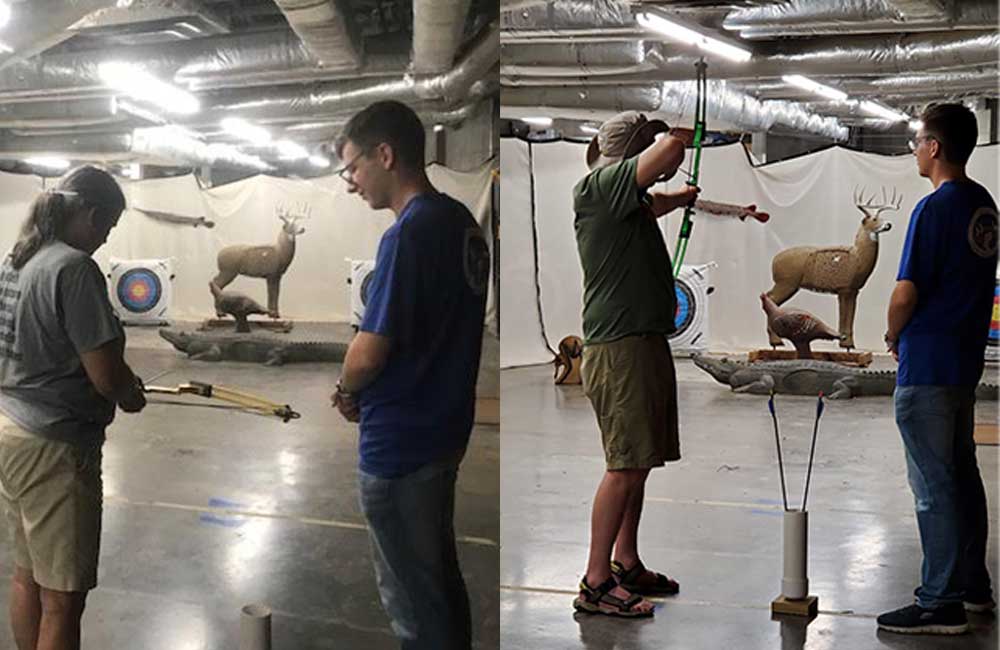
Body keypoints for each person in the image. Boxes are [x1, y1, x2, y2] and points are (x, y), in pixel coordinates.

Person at [329, 100, 489, 649]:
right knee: (437, 582)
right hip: (444, 433)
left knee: (412, 603)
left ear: (386, 154)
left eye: (352, 167)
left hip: (400, 443)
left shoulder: (407, 234)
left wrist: (346, 390)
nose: (351, 181)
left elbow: (368, 353)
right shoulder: (461, 223)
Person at [0, 165, 146, 650]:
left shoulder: (18, 257)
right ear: (88, 213)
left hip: (10, 431)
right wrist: (130, 393)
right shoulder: (73, 267)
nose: (104, 239)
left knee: (28, 576)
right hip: (54, 447)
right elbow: (106, 375)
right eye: (106, 226)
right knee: (63, 598)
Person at [571, 110, 700, 617]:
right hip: (619, 348)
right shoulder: (598, 186)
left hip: (640, 342)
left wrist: (681, 198)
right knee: (623, 466)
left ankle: (625, 561)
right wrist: (677, 140)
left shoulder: (625, 199)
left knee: (638, 463)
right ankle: (596, 582)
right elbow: (666, 155)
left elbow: (654, 202)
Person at [878, 103, 998, 635]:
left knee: (933, 485)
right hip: (963, 362)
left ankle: (939, 600)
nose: (914, 150)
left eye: (918, 141)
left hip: (926, 363)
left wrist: (892, 333)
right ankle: (973, 585)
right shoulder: (984, 206)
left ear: (935, 148)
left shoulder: (933, 209)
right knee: (961, 475)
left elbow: (907, 291)